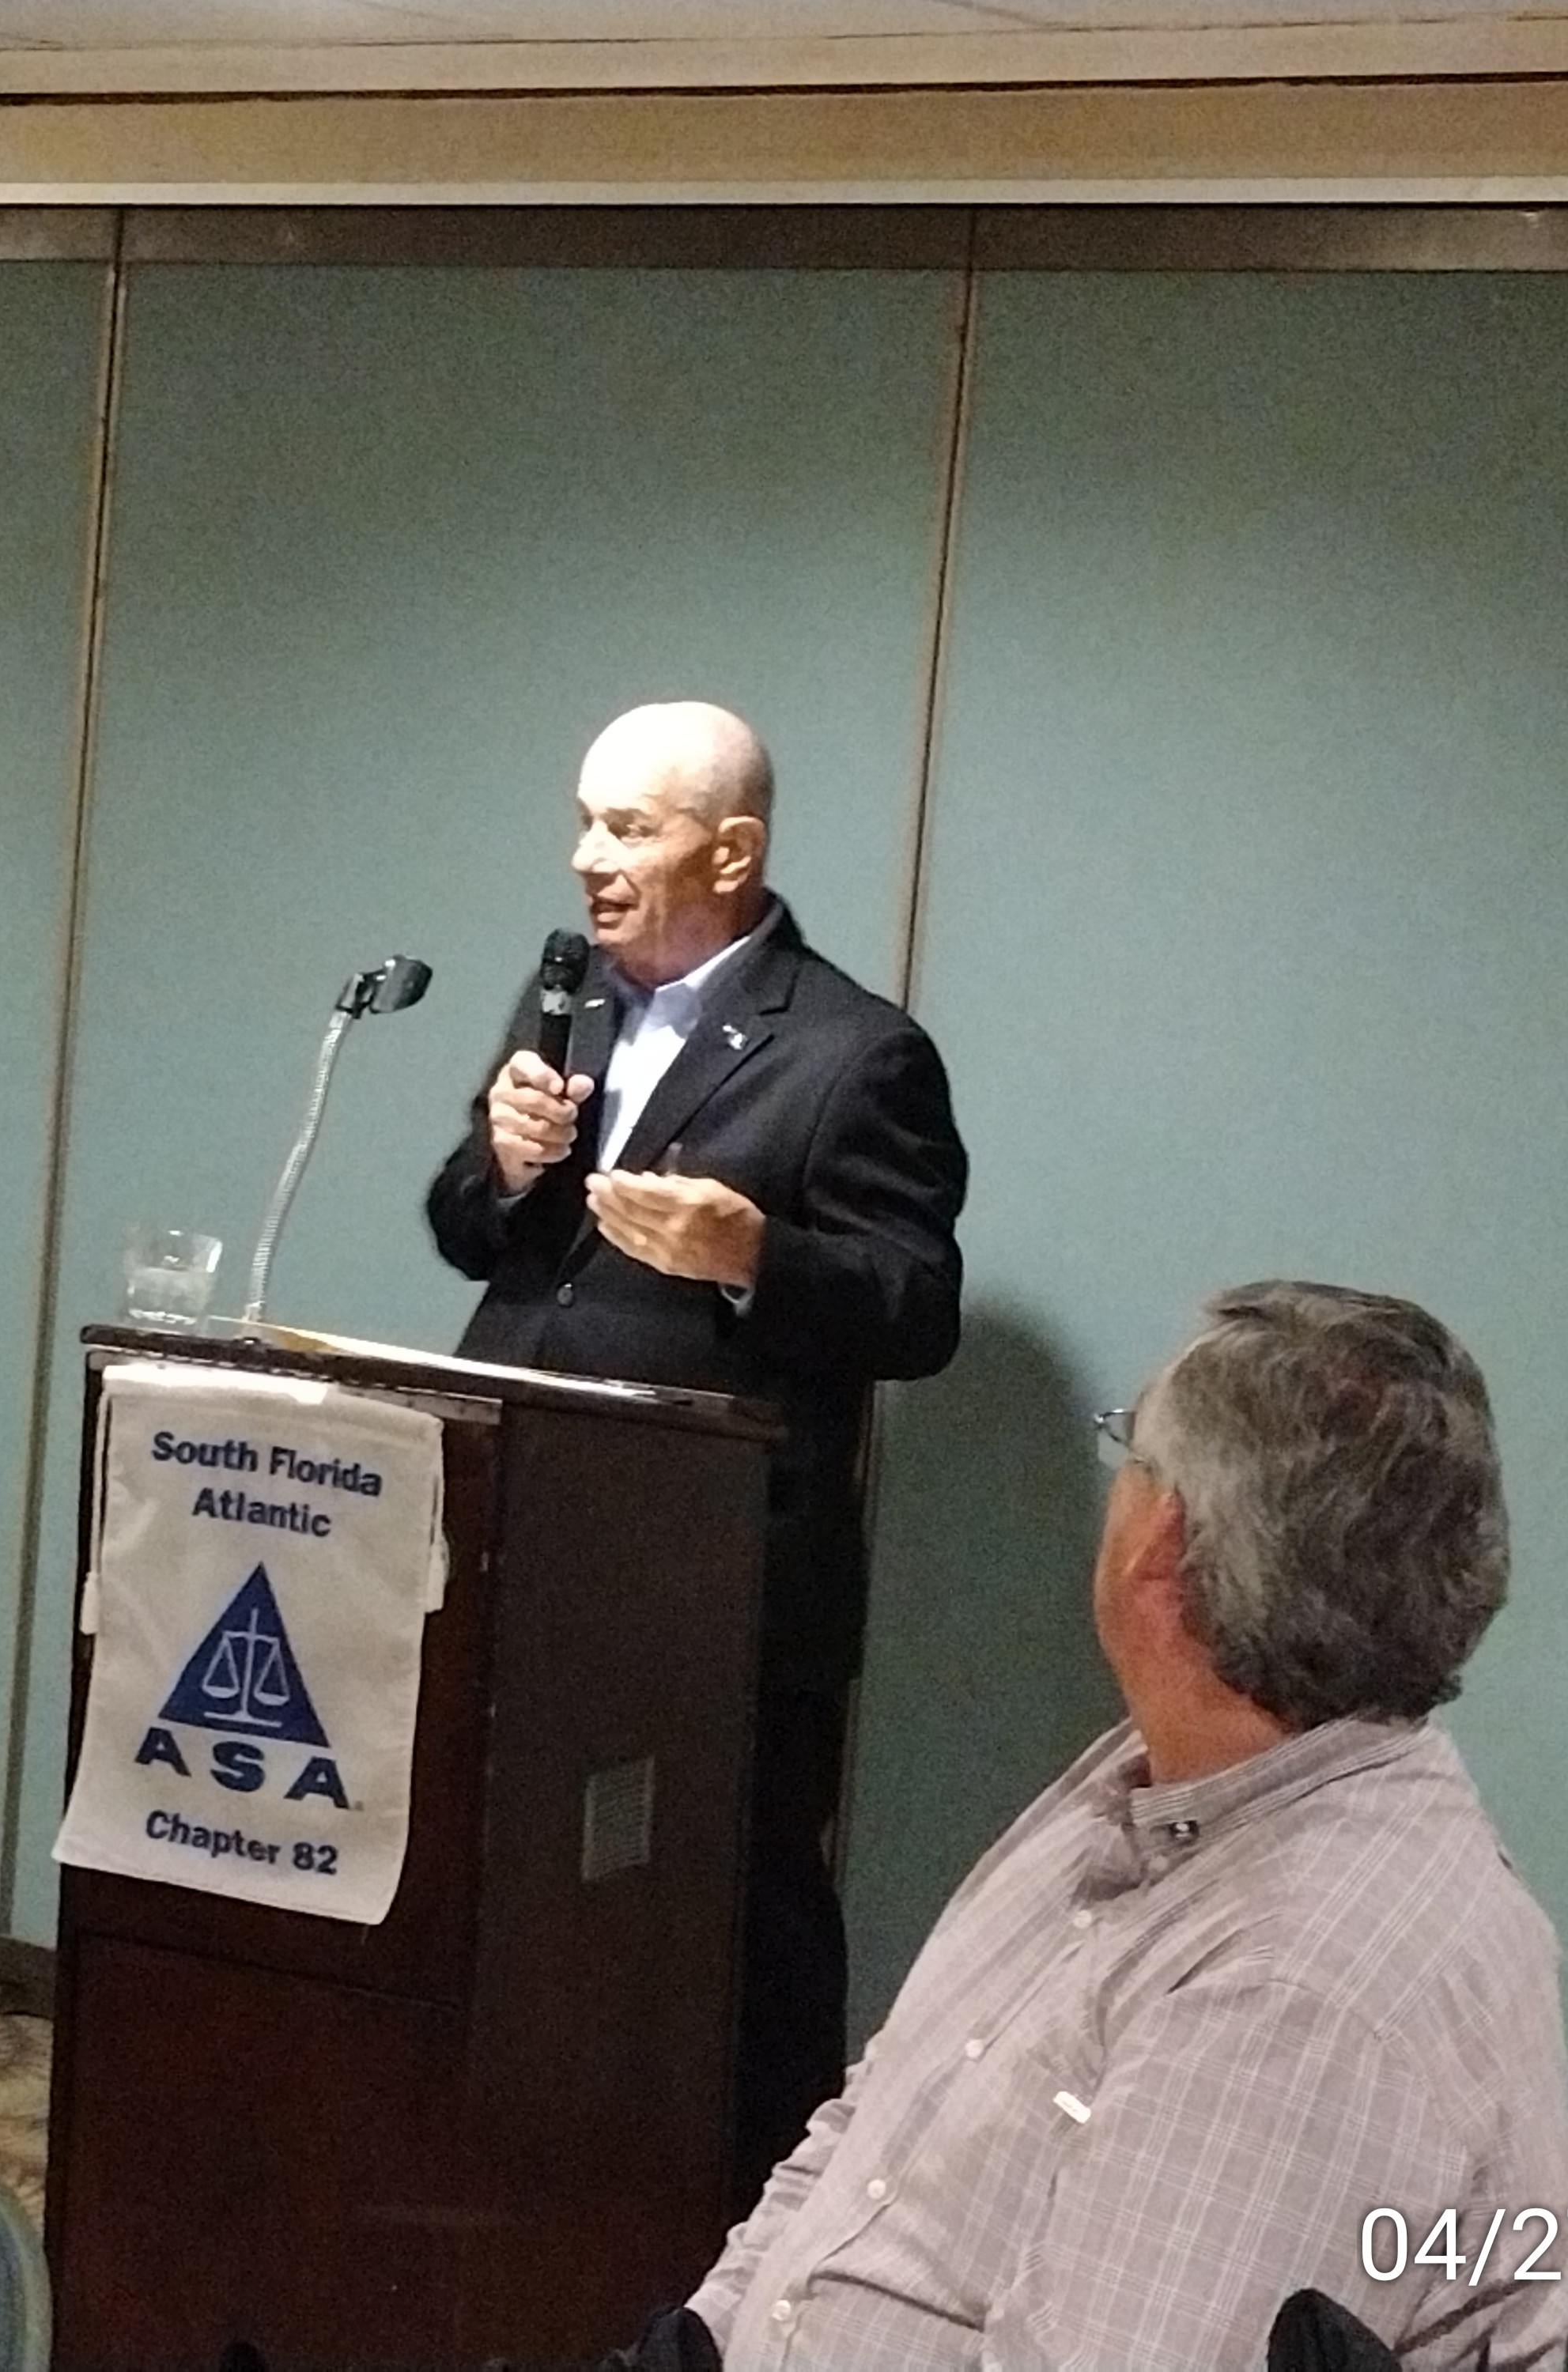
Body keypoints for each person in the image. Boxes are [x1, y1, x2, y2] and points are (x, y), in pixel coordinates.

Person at [680, 1282, 1568, 2370]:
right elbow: (871, 2132)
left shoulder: (1295, 1992)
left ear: (1163, 1547)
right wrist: (699, 2341)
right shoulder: (1161, 1773)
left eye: (1131, 1450)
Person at [426, 700, 969, 2206]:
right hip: (515, 1528)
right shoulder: (569, 1002)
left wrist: (755, 1257)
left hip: (717, 1584)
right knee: (521, 1896)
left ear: (731, 852)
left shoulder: (858, 1053)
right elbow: (474, 1233)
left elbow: (918, 1307)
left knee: (738, 1930)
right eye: (584, 821)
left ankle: (765, 2233)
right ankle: (536, 2191)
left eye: (628, 827)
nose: (586, 858)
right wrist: (502, 1164)